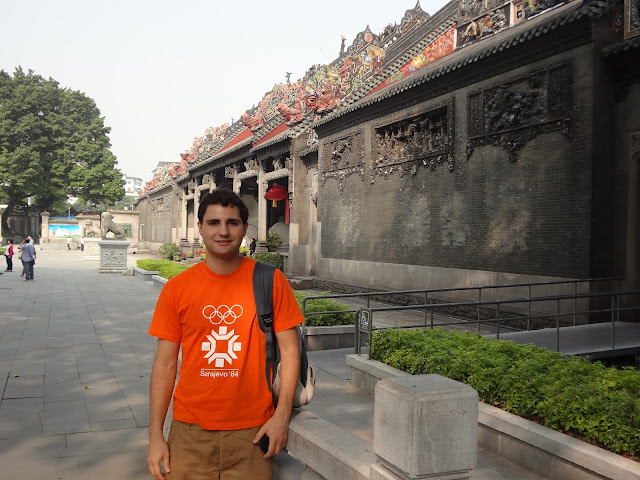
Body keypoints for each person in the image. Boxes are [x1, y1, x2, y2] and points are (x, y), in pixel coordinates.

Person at [147, 189, 302, 480]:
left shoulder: (270, 280)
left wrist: (281, 416)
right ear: (201, 227)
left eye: (232, 222)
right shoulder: (177, 289)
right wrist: (155, 436)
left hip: (253, 431)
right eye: (214, 223)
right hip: (190, 431)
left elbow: (291, 351)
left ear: (245, 228)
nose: (223, 231)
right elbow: (165, 365)